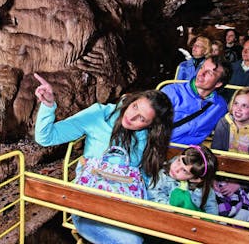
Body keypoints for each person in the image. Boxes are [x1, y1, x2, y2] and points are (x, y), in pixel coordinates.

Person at [34, 73, 174, 244]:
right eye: (135, 106)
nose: (132, 116)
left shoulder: (148, 138)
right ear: (132, 100)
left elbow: (143, 178)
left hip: (126, 208)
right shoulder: (98, 114)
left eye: (142, 119)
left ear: (151, 125)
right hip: (89, 207)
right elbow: (46, 138)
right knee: (132, 242)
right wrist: (48, 105)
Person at [212, 86, 249, 222]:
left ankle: (241, 216)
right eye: (236, 103)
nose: (238, 108)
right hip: (222, 174)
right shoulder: (223, 124)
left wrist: (239, 184)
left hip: (245, 179)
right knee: (212, 196)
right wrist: (212, 178)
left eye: (245, 106)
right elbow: (215, 154)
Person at [161, 56, 232, 145]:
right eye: (202, 68)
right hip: (161, 147)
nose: (201, 73)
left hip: (189, 154)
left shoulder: (220, 106)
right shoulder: (171, 92)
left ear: (218, 84)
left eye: (209, 73)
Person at [147, 145, 219, 215]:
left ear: (195, 179)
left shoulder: (205, 190)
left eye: (184, 171)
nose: (176, 168)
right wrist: (171, 209)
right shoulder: (163, 175)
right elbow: (153, 193)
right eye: (178, 160)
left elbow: (212, 210)